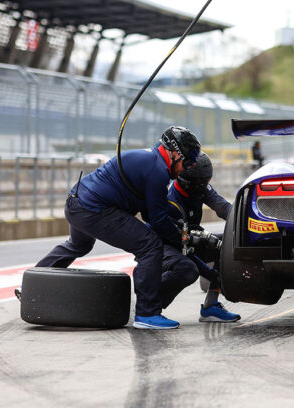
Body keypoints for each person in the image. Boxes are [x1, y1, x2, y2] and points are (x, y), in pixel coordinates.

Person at [32, 126, 201, 330]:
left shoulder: (150, 160)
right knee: (150, 246)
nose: (186, 169)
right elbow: (157, 221)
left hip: (75, 203)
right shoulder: (158, 171)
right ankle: (147, 314)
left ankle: (31, 286)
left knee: (78, 245)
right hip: (93, 210)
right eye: (188, 163)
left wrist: (175, 229)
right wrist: (183, 239)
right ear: (175, 154)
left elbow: (151, 213)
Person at [162, 153, 240, 322]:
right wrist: (213, 275)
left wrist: (242, 221)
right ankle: (150, 309)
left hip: (187, 240)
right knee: (188, 269)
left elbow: (222, 206)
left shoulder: (200, 187)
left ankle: (210, 307)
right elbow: (184, 249)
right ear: (189, 182)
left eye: (207, 180)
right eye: (203, 182)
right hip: (167, 247)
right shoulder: (171, 204)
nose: (206, 185)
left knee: (226, 244)